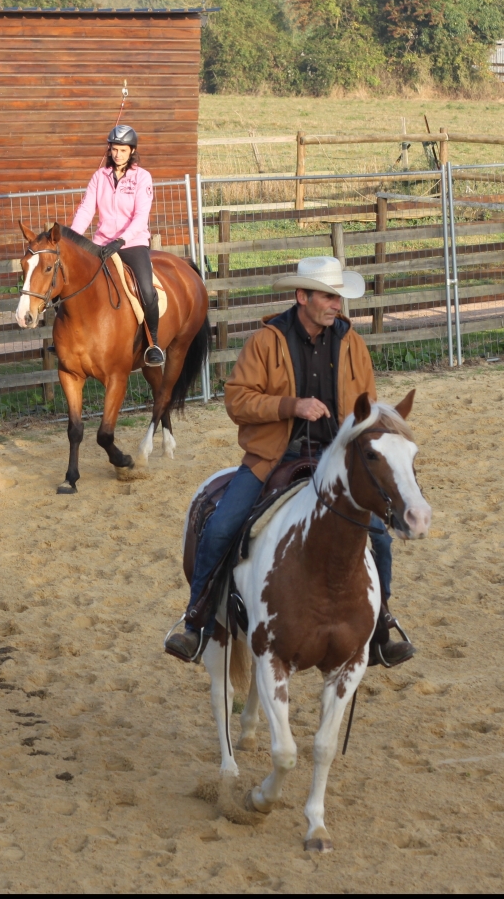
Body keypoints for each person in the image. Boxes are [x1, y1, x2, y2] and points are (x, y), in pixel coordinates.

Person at [163, 256, 417, 667]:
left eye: (338, 298)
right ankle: (197, 621)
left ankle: (381, 627)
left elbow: (365, 406)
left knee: (381, 538)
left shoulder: (351, 343)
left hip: (339, 461)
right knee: (222, 525)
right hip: (273, 456)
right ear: (302, 297)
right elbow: (237, 400)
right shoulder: (266, 342)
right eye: (327, 297)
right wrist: (290, 405)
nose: (336, 305)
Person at [70, 124, 164, 367]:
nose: (118, 154)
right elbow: (86, 209)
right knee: (72, 279)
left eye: (123, 150)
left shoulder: (142, 177)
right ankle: (68, 336)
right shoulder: (99, 177)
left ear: (132, 150)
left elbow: (141, 216)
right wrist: (72, 238)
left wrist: (122, 239)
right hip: (101, 243)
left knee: (146, 290)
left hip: (132, 243)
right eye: (114, 149)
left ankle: (153, 343)